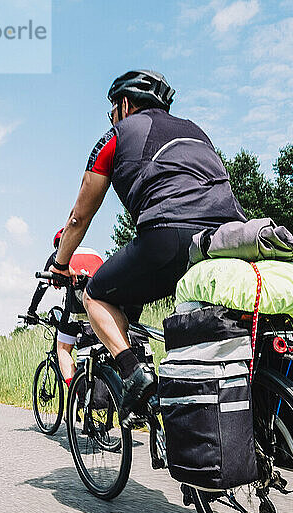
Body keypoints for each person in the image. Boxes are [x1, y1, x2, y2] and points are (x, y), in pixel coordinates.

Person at [50, 69, 247, 427]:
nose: (113, 116)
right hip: (230, 236)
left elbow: (79, 218)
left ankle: (134, 373)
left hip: (169, 237)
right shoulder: (196, 131)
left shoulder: (117, 135)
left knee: (96, 296)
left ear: (123, 105)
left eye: (112, 109)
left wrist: (61, 263)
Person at [27, 228, 103, 387]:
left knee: (62, 349)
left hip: (78, 306)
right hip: (103, 304)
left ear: (58, 245)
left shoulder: (58, 256)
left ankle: (76, 396)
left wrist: (31, 311)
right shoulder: (94, 253)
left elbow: (42, 286)